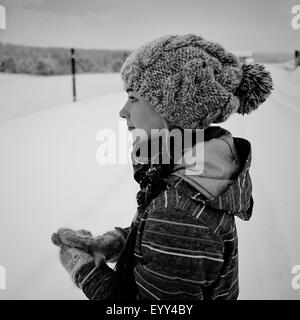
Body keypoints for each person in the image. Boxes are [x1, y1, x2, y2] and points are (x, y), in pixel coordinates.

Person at [51, 33, 273, 300]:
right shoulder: (190, 175)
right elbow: (157, 237)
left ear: (173, 110)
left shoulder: (178, 214)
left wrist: (83, 269)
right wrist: (115, 243)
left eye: (133, 98)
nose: (122, 111)